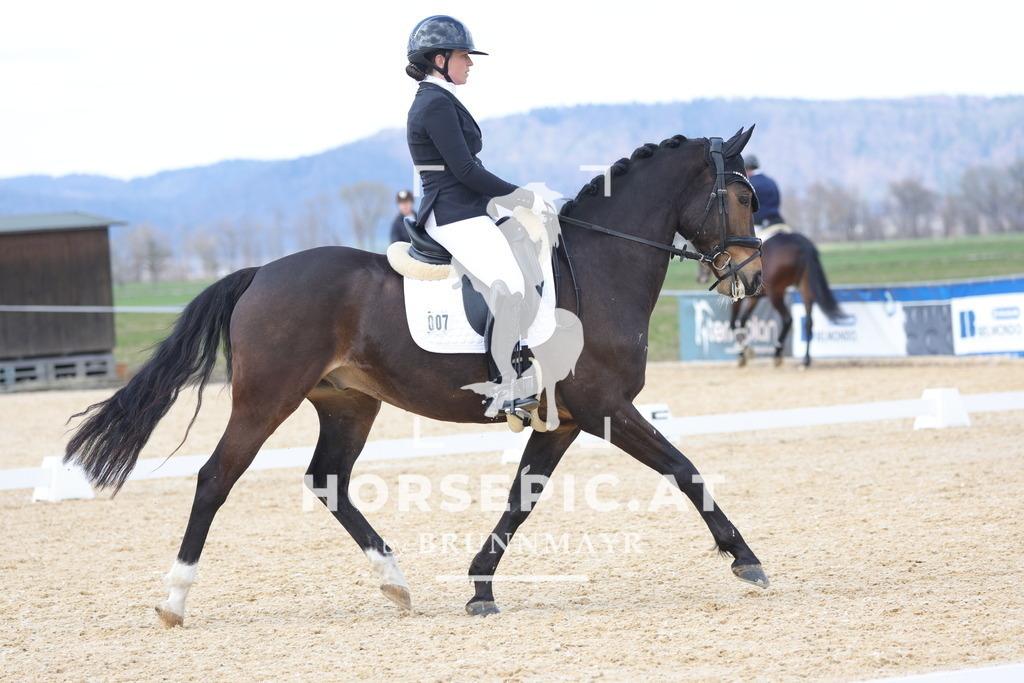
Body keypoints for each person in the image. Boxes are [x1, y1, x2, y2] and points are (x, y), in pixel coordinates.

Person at [404, 15, 549, 422]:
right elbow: (466, 171)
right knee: (511, 281)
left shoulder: (441, 99)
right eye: (464, 56)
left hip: (467, 209)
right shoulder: (434, 104)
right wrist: (522, 197)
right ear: (439, 58)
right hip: (453, 215)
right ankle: (507, 384)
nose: (470, 63)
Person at [744, 154, 791, 239]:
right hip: (777, 221)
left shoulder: (750, 184)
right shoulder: (771, 181)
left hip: (759, 224)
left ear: (746, 168)